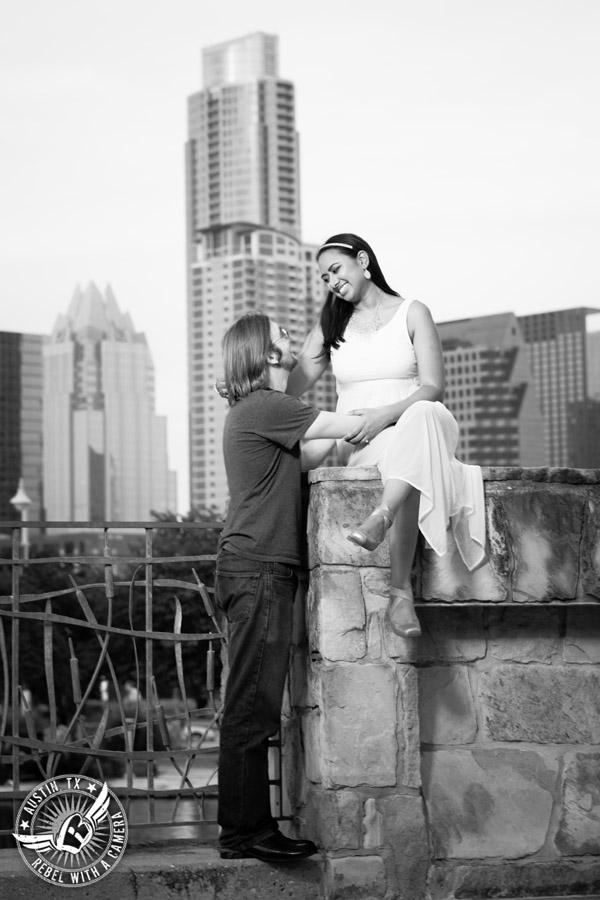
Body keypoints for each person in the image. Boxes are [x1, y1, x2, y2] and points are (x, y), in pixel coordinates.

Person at [215, 311, 362, 862]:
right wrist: (402, 409)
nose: (288, 337)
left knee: (252, 704)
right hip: (259, 569)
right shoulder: (266, 407)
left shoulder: (262, 414)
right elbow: (343, 426)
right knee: (251, 708)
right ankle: (245, 833)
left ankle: (246, 829)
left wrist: (334, 314)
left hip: (256, 567)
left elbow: (313, 453)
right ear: (266, 353)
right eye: (280, 333)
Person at [286, 233, 486, 638]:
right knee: (411, 463)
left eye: (336, 270)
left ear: (363, 261)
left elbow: (432, 387)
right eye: (324, 277)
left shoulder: (413, 311)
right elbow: (292, 388)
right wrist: (249, 387)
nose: (331, 282)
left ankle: (383, 519)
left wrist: (384, 416)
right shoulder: (331, 324)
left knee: (424, 413)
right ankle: (399, 592)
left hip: (416, 425)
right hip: (361, 439)